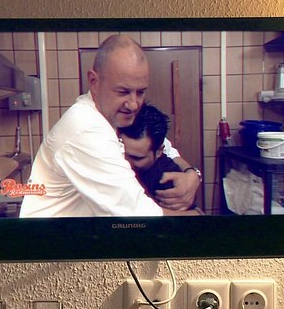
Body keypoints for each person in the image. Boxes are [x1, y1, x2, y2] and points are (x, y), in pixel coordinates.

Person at [19, 35, 200, 218]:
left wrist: (192, 175)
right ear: (94, 82)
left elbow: (164, 147)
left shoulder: (115, 115)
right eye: (123, 92)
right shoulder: (87, 129)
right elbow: (136, 215)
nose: (134, 104)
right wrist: (198, 217)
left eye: (140, 92)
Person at [118, 103, 198, 211]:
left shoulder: (166, 179)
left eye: (137, 158)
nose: (126, 162)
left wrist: (192, 174)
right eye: (122, 153)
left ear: (159, 152)